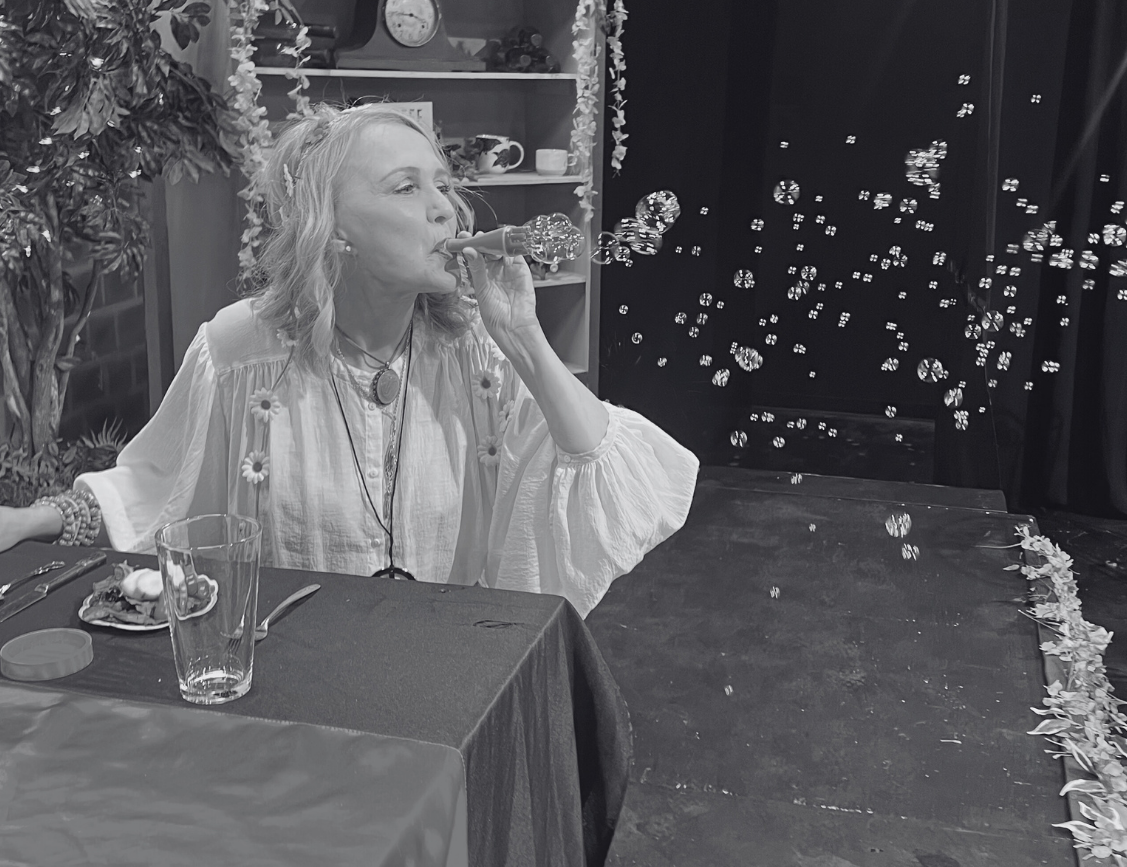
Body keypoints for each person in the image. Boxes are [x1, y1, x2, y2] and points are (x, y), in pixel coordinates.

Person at [0, 104, 699, 617]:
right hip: (295, 698)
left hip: (448, 685)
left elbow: (601, 474)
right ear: (329, 228)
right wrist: (34, 520)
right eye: (406, 188)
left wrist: (522, 339)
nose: (447, 212)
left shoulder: (479, 350)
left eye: (444, 185)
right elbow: (153, 486)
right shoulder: (240, 350)